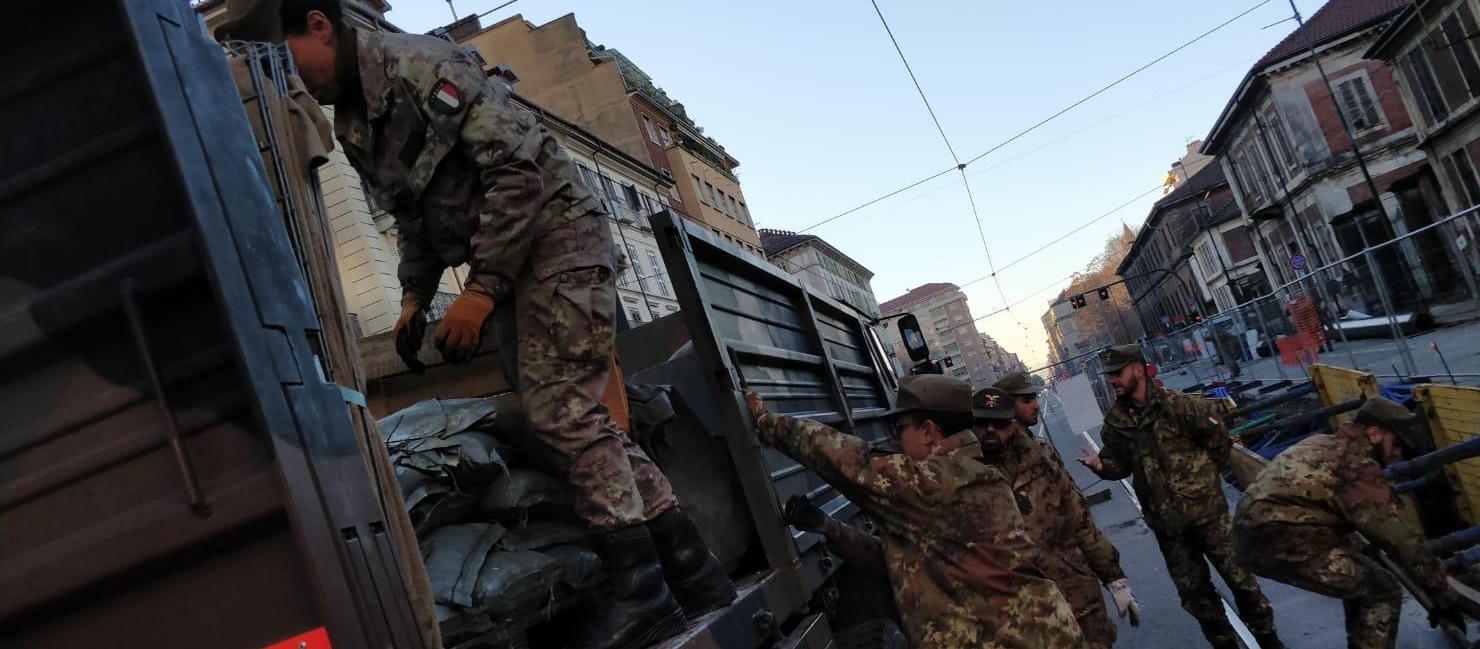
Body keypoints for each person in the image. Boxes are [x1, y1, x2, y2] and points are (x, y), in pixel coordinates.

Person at [214, 3, 735, 647]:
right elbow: (413, 216)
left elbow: (518, 176)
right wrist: (413, 297)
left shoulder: (420, 66)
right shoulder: (353, 121)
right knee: (576, 420)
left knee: (562, 416)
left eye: (286, 57)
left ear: (319, 25)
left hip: (557, 239)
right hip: (514, 267)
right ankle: (692, 569)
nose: (293, 82)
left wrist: (481, 290)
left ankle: (644, 589)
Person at [744, 375, 1085, 649]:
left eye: (900, 428)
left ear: (928, 431)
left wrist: (764, 420)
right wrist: (831, 530)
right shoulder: (974, 476)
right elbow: (906, 562)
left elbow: (843, 457)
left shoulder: (934, 483)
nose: (894, 439)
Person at [1078, 345, 1282, 649]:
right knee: (1197, 597)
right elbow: (1118, 465)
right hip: (1169, 530)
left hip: (1209, 517)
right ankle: (1225, 644)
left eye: (1117, 373)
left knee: (1242, 581)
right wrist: (1101, 467)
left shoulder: (1181, 406)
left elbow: (1219, 442)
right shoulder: (1116, 424)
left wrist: (1201, 480)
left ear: (1137, 369)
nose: (1112, 381)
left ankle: (1268, 638)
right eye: (1110, 376)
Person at [1234, 398, 1465, 649]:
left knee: (1359, 578)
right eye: (1395, 443)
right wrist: (1444, 597)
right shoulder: (1356, 465)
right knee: (1382, 591)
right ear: (1374, 433)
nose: (1396, 454)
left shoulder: (1324, 442)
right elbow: (1401, 539)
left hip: (1251, 533)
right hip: (1280, 540)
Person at [984, 378, 1139, 649]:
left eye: (1034, 398)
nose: (1035, 405)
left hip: (1077, 592)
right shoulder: (979, 471)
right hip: (1029, 611)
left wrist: (1114, 577)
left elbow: (1079, 518)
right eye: (1026, 400)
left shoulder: (1042, 453)